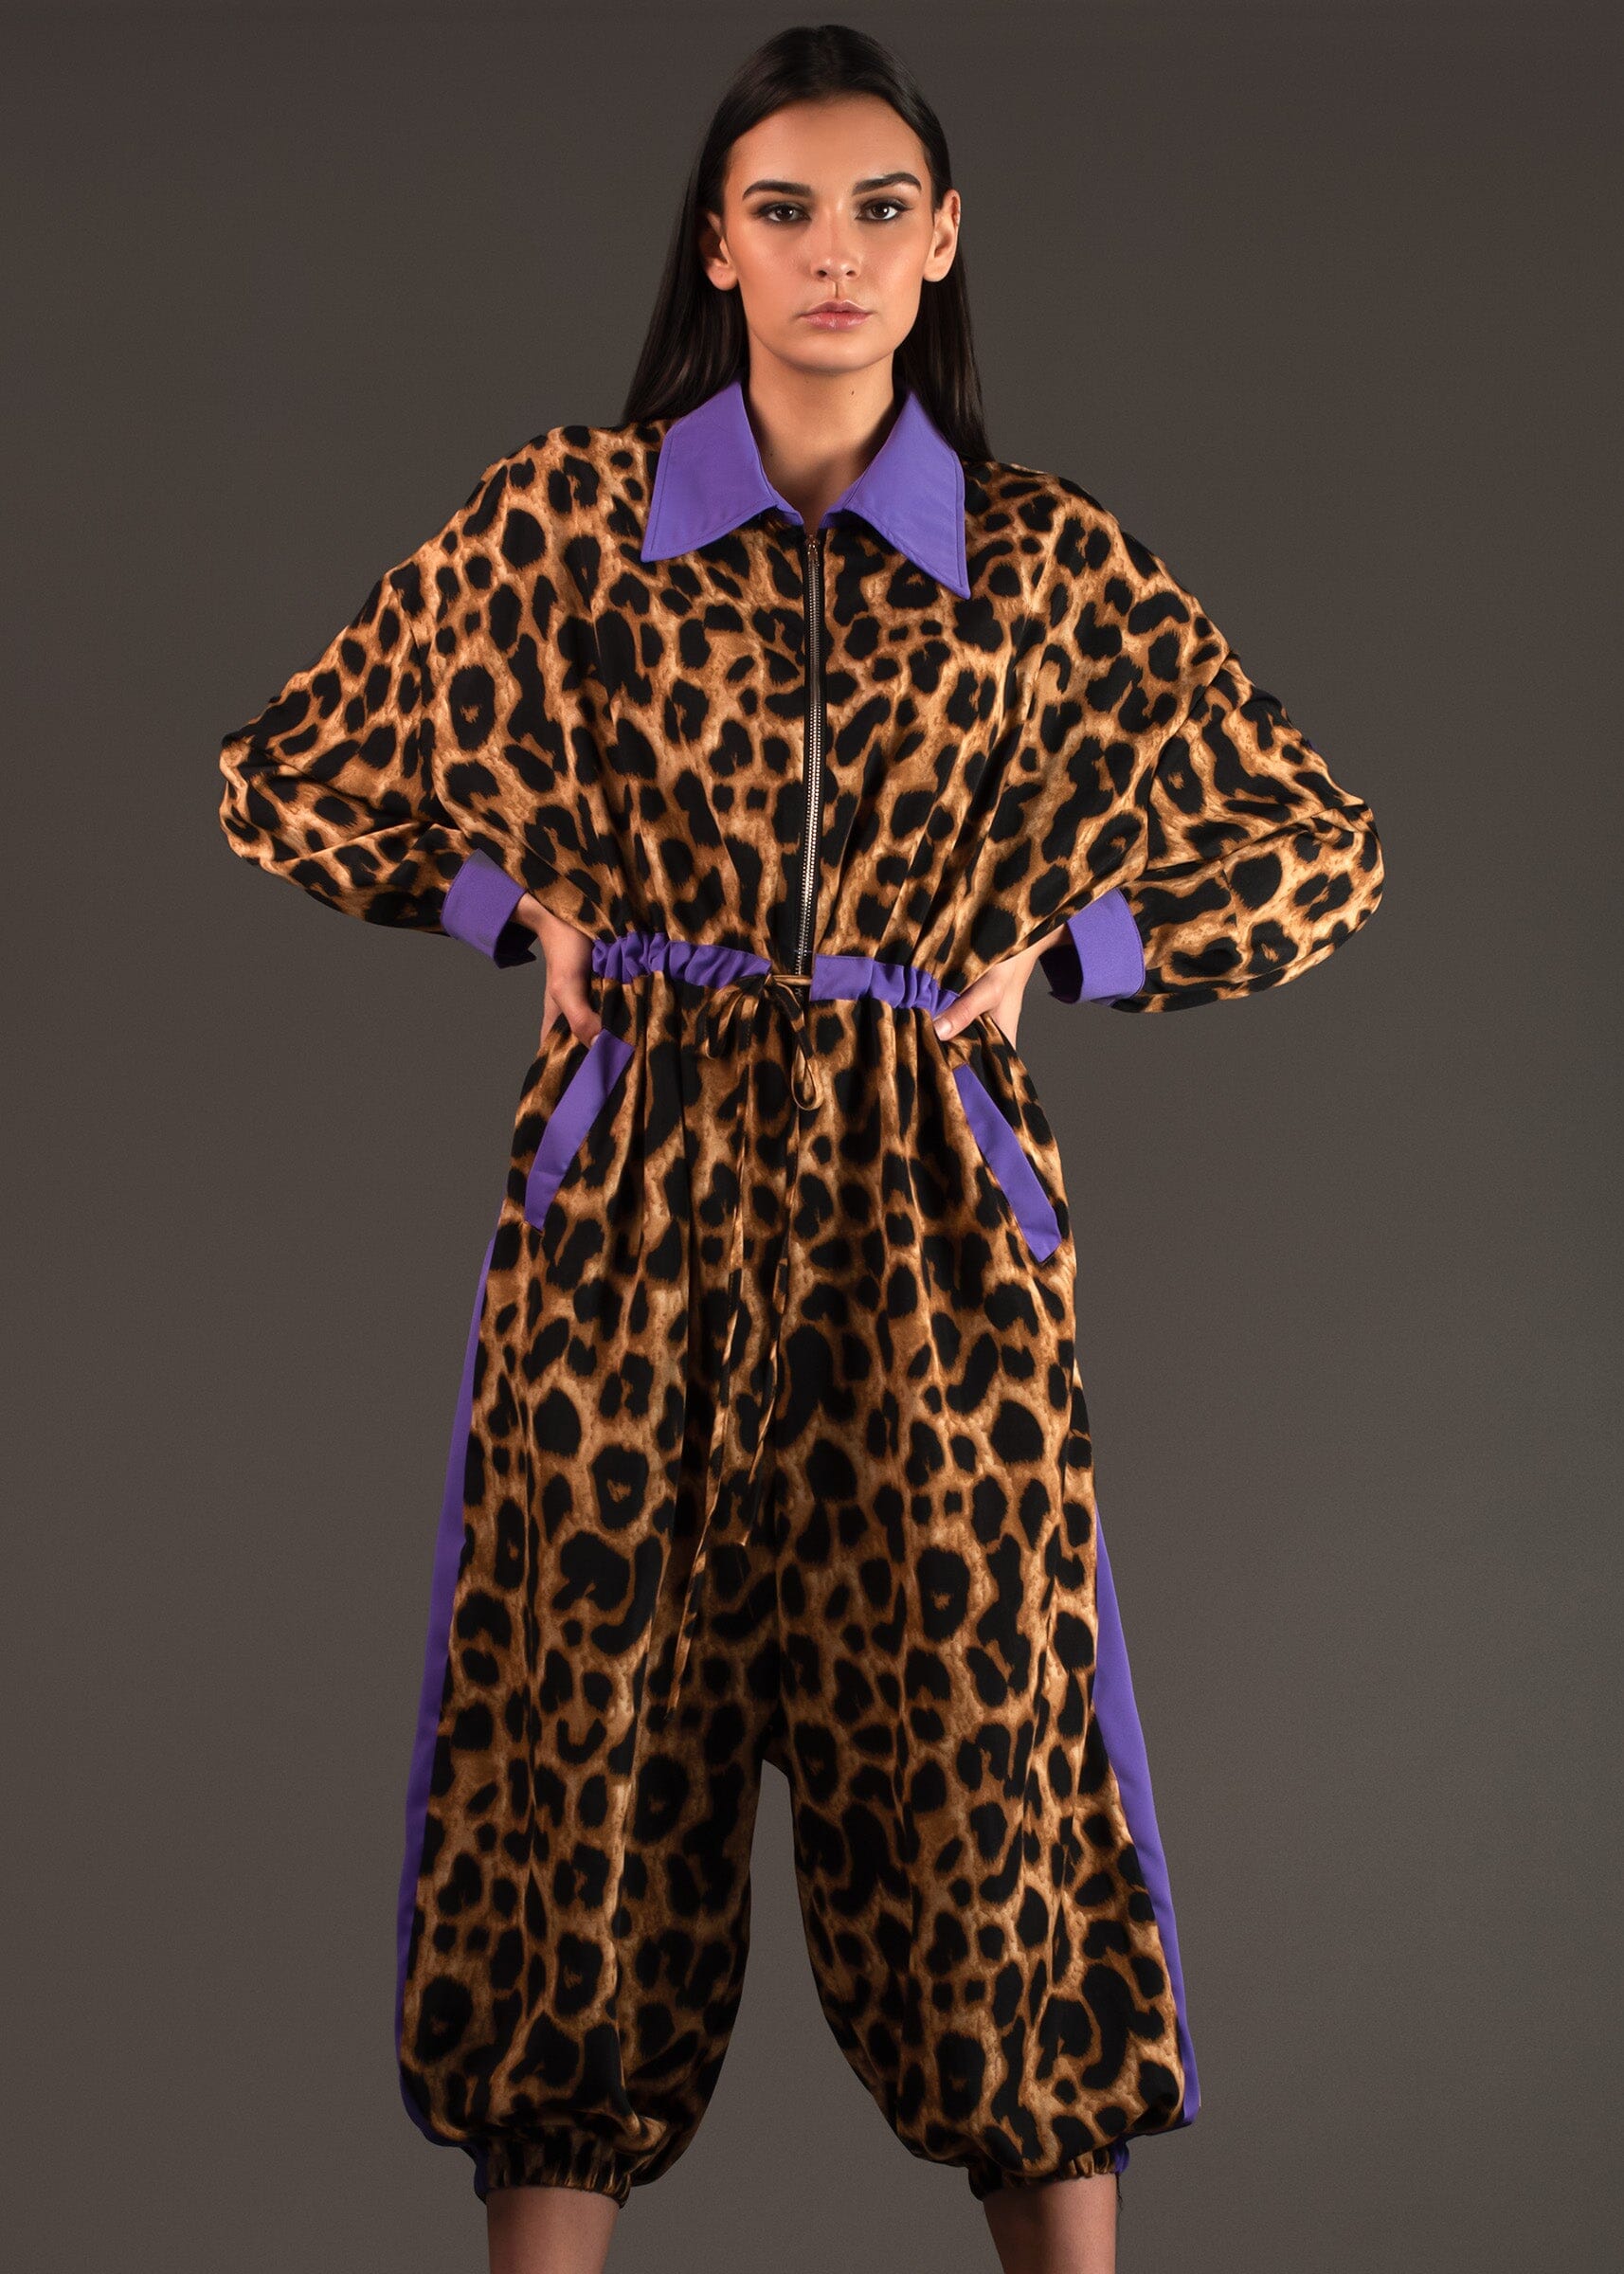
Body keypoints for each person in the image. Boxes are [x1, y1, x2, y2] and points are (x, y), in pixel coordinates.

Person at [216, 24, 1383, 2274]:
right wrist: (509, 908)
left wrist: (1075, 950)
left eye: (874, 211)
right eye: (781, 211)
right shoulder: (567, 521)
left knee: (982, 1798)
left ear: (938, 246)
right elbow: (287, 773)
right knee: (578, 1796)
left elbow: (1316, 846)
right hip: (623, 1219)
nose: (829, 253)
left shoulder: (1044, 568)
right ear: (716, 247)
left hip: (927, 1236)